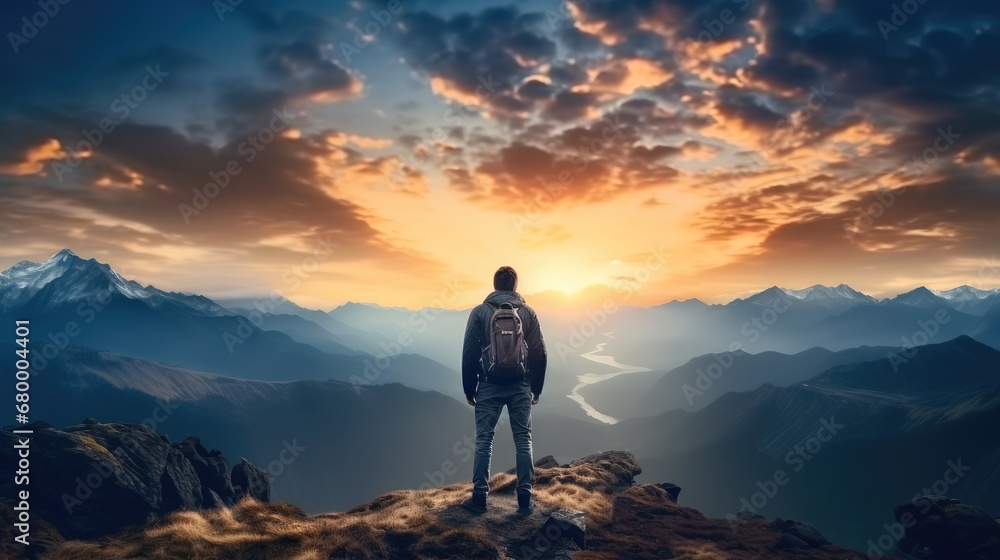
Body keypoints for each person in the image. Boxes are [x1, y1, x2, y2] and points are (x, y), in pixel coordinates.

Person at [461, 266, 547, 515]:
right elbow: (540, 353)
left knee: (484, 440)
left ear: (494, 285)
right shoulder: (528, 313)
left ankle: (479, 498)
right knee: (523, 439)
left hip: (488, 384)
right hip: (520, 385)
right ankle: (525, 498)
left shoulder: (479, 312)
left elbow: (469, 353)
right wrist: (536, 389)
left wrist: (470, 387)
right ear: (515, 286)